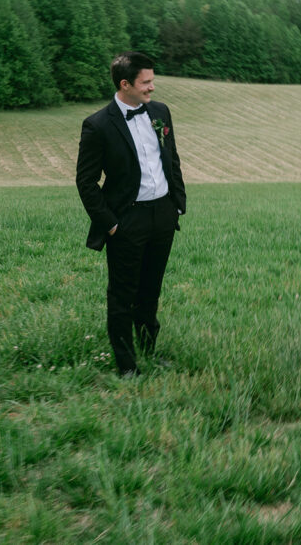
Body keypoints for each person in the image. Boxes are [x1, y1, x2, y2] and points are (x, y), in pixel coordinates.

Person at [76, 51, 186, 376]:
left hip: (163, 216)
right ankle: (127, 366)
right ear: (125, 84)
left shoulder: (160, 113)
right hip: (127, 221)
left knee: (151, 290)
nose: (153, 87)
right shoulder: (97, 125)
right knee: (123, 295)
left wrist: (177, 204)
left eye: (152, 80)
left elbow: (172, 159)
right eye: (146, 82)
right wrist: (110, 225)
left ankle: (149, 350)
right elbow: (85, 181)